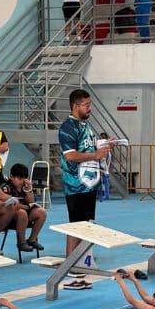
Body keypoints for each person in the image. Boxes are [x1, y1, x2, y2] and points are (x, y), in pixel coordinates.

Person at [58, 88, 112, 287]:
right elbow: (70, 156)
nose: (90, 108)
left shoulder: (86, 125)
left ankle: (82, 259)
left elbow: (88, 148)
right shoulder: (68, 127)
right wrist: (96, 155)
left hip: (89, 183)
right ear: (75, 106)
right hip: (75, 184)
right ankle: (71, 263)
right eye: (86, 105)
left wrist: (103, 147)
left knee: (87, 223)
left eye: (90, 105)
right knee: (75, 224)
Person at [4, 163, 48, 252]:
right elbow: (12, 205)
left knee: (41, 212)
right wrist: (27, 207)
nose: (22, 181)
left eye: (24, 178)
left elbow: (31, 202)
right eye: (20, 178)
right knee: (22, 212)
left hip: (25, 217)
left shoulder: (24, 186)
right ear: (11, 177)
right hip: (11, 217)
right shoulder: (7, 187)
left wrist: (29, 189)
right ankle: (21, 242)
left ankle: (32, 239)